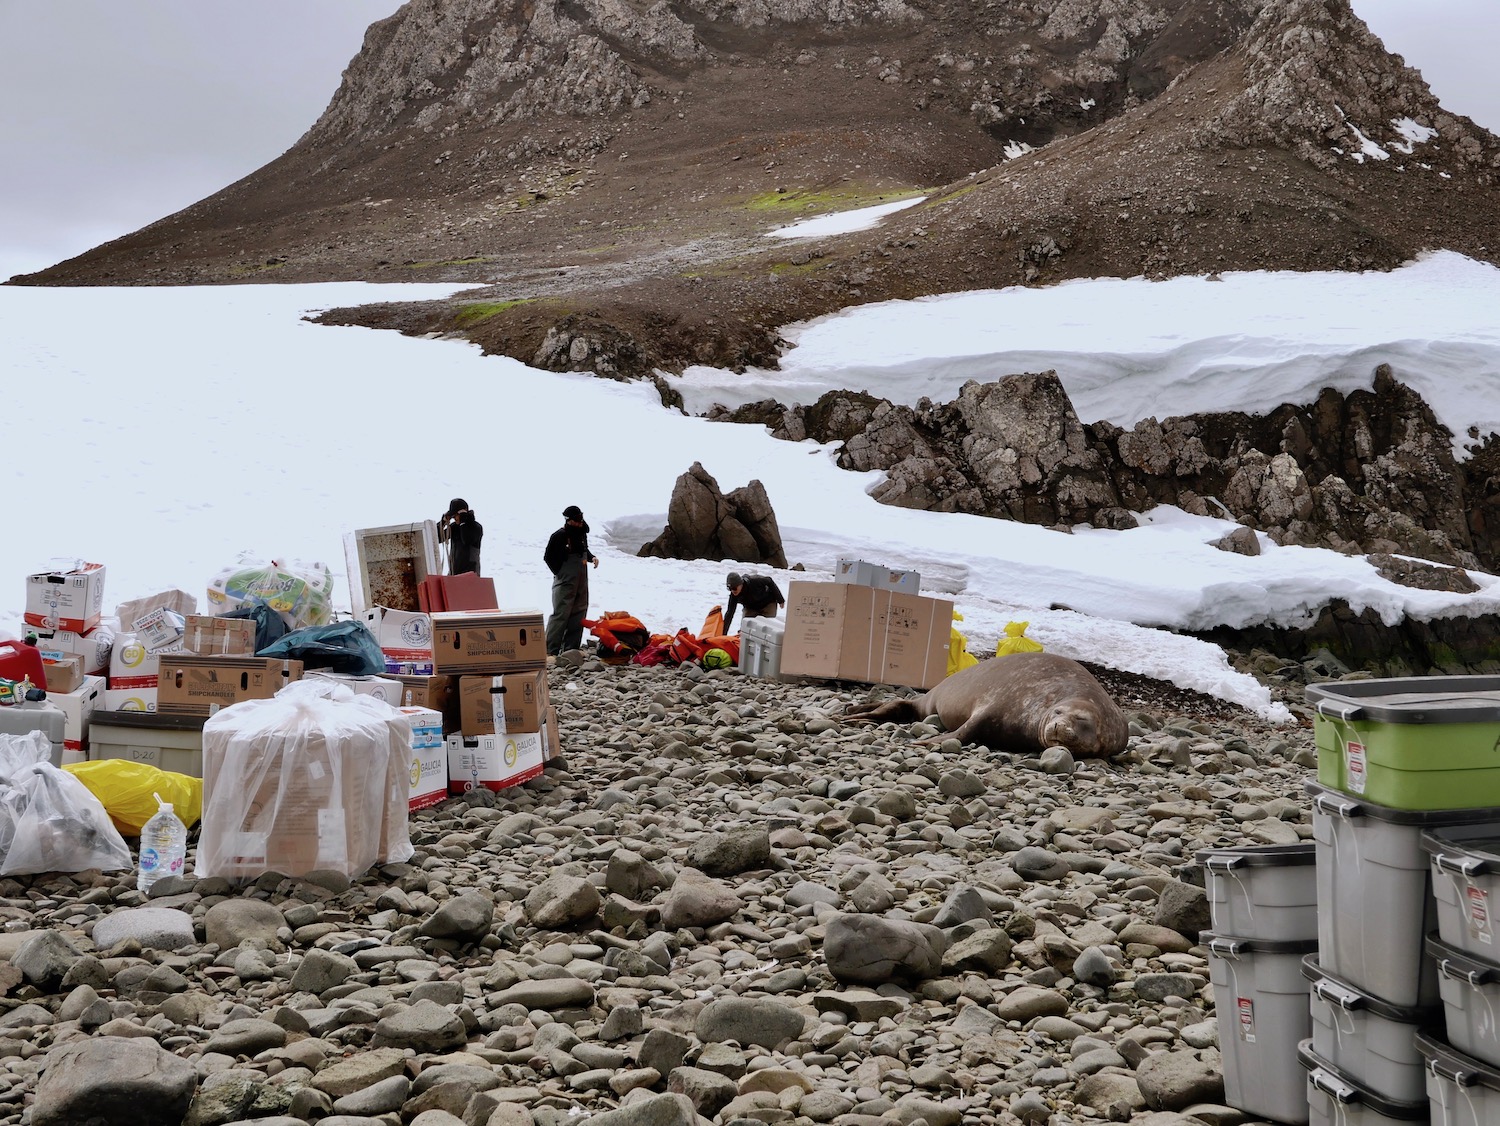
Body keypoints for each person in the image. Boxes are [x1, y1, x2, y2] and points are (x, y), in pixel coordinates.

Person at [544, 505, 599, 656]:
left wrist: (591, 557)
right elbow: (548, 557)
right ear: (569, 521)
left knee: (579, 612)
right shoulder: (559, 536)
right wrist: (560, 573)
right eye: (576, 520)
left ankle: (571, 648)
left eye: (580, 519)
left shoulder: (582, 533)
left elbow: (583, 550)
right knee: (561, 613)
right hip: (566, 579)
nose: (579, 522)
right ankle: (550, 649)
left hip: (581, 579)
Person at [439, 498, 483, 575]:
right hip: (454, 573)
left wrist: (463, 521)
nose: (454, 518)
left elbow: (467, 540)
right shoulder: (455, 527)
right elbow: (438, 538)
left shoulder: (476, 527)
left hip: (471, 574)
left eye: (456, 515)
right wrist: (442, 522)